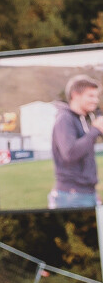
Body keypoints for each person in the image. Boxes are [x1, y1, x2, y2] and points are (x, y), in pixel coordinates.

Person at [48, 75, 103, 209]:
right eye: (91, 96)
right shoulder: (65, 119)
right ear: (75, 95)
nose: (96, 100)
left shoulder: (82, 119)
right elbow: (70, 153)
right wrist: (95, 130)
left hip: (86, 193)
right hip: (72, 196)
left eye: (96, 96)